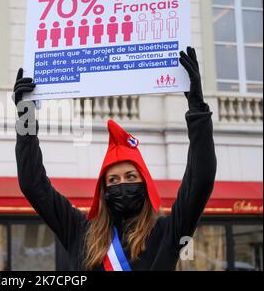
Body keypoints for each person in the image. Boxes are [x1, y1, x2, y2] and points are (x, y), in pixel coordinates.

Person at [12, 46, 217, 271]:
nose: (122, 185)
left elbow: (201, 179)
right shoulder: (79, 230)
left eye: (130, 176)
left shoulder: (167, 232)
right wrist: (26, 117)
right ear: (104, 189)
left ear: (145, 182)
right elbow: (32, 184)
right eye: (113, 180)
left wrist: (198, 109)